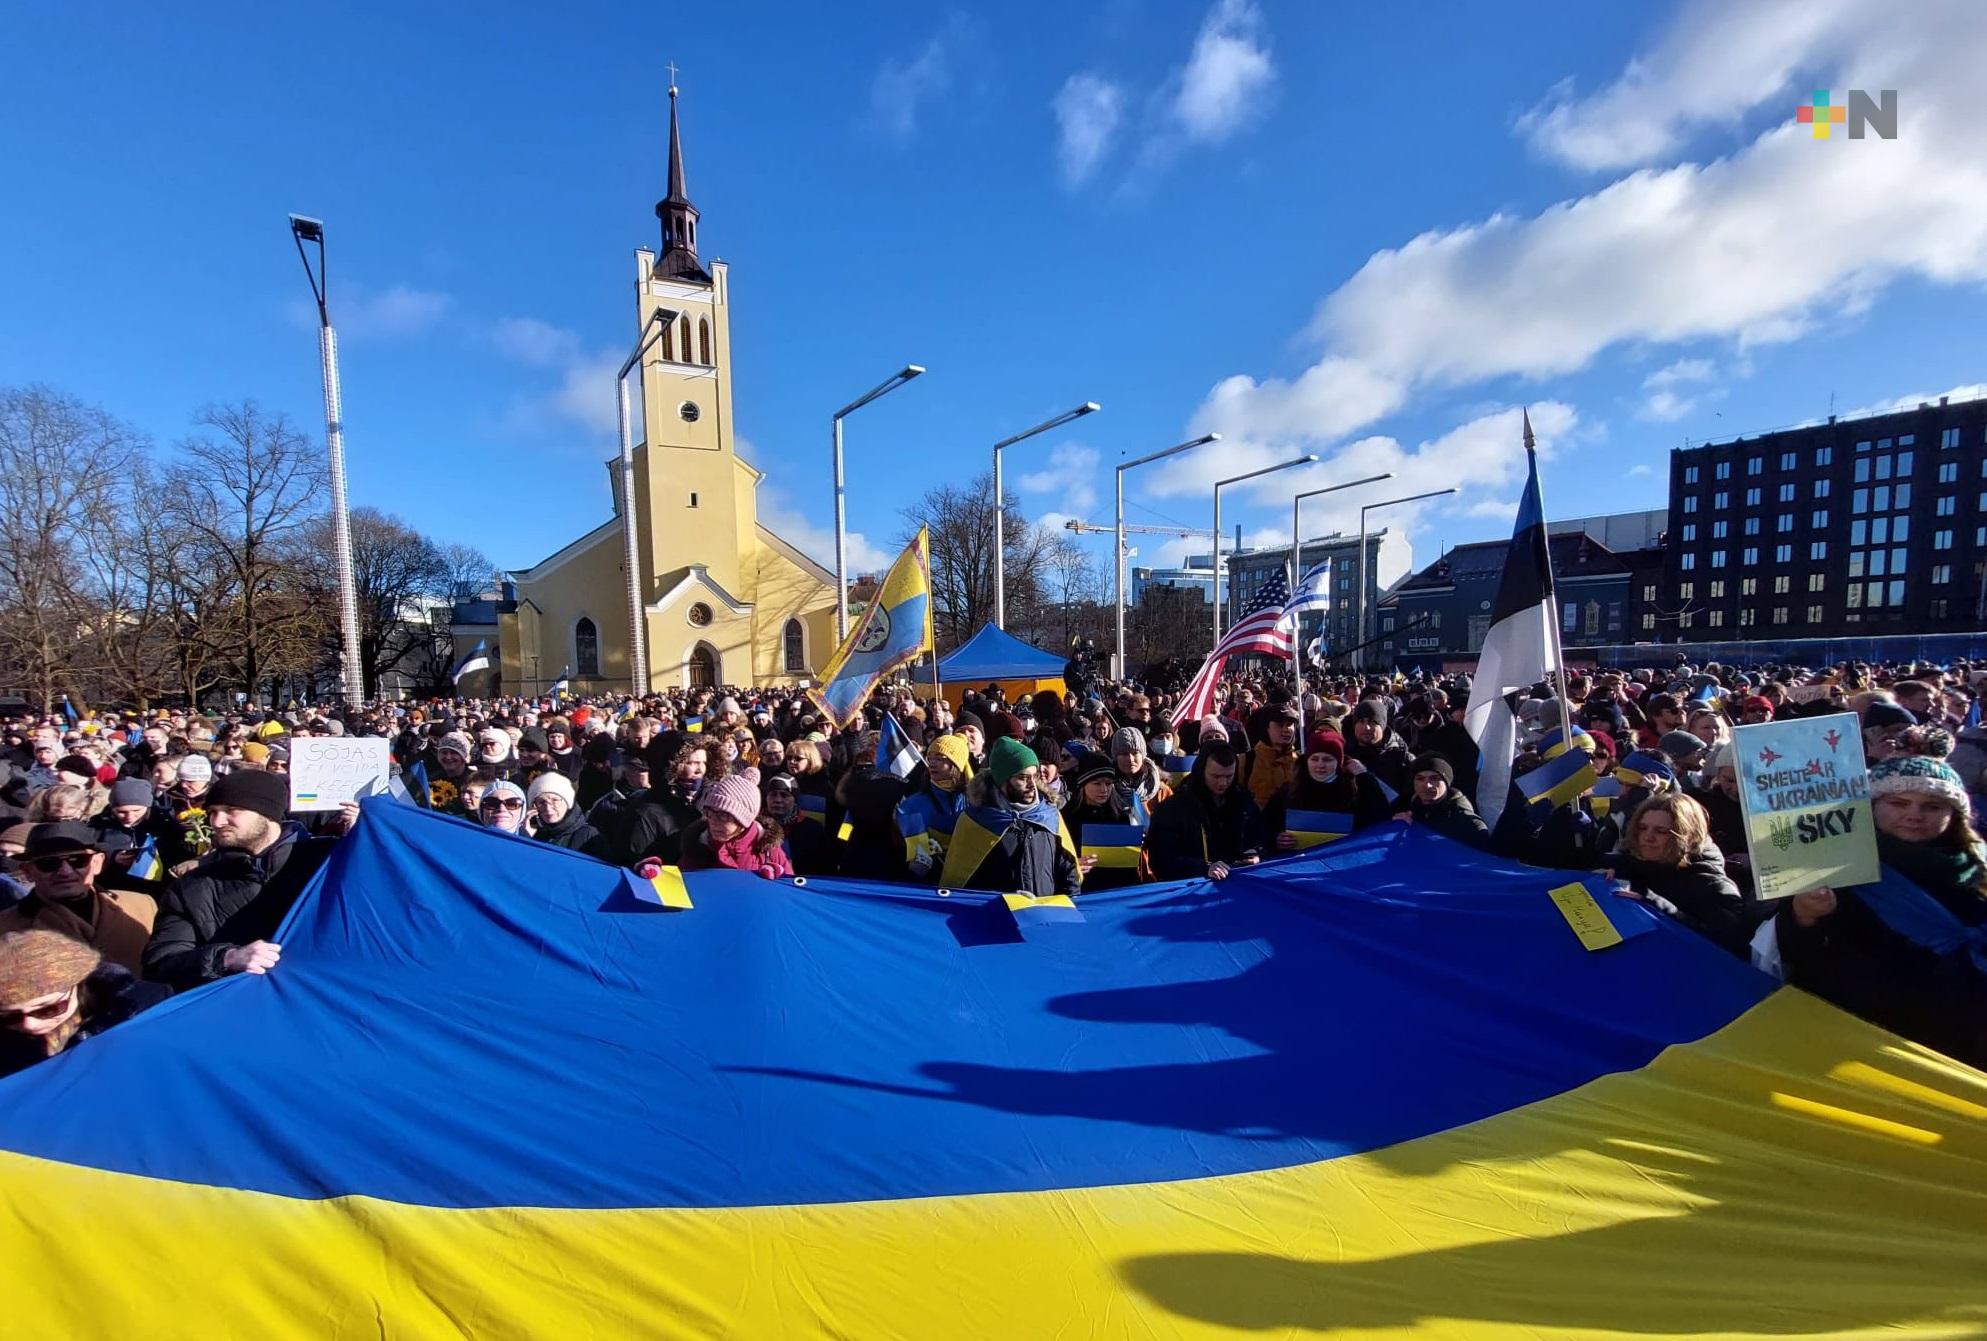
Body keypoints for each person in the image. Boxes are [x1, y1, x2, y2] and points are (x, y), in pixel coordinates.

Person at [1770, 755, 1987, 1066]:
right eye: (1899, 803)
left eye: (1932, 806)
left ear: (1954, 815)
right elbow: (1804, 959)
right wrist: (1805, 914)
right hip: (1880, 1041)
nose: (1915, 815)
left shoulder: (1979, 865)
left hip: (1972, 1041)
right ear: (1872, 807)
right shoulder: (1837, 864)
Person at [142, 769, 336, 990]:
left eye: (232, 810)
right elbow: (160, 964)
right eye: (212, 812)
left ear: (267, 813)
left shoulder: (329, 862)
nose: (216, 821)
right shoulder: (191, 888)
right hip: (240, 1010)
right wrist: (226, 958)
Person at [0, 930, 169, 1079]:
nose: (30, 1025)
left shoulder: (149, 1010)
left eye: (48, 1010)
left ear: (78, 985)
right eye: (10, 1017)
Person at [0, 822, 159, 975]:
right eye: (48, 863)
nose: (65, 871)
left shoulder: (142, 905)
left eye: (77, 860)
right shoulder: (6, 926)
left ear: (97, 863)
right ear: (27, 871)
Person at [1609, 793, 1749, 956]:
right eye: (1642, 828)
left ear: (1687, 835)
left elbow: (1731, 948)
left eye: (1661, 831)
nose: (1648, 837)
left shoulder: (1712, 885)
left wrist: (1659, 908)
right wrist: (1611, 876)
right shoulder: (1634, 864)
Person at [939, 739, 1080, 896]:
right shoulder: (975, 821)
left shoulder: (1049, 816)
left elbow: (1069, 874)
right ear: (1003, 780)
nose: (1032, 785)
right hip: (997, 917)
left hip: (1044, 915)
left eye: (1034, 776)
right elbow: (959, 887)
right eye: (1022, 778)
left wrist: (1065, 910)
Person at [1145, 742, 1266, 882]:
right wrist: (1203, 868)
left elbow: (1262, 837)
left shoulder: (1244, 802)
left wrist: (1256, 853)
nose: (1222, 783)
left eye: (1228, 776)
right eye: (1215, 776)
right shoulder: (1174, 808)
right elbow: (1161, 859)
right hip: (1192, 890)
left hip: (1239, 886)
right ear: (1202, 770)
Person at [679, 775, 793, 879]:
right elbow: (679, 887)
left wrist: (777, 881)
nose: (713, 821)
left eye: (723, 815)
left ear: (743, 820)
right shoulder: (698, 846)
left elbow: (790, 889)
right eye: (709, 812)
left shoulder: (768, 850)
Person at [1060, 755, 1141, 891]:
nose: (1104, 789)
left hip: (1120, 890)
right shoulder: (1066, 818)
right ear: (1083, 785)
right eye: (1097, 783)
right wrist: (1073, 865)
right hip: (1083, 890)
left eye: (1109, 784)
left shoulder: (1122, 816)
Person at [899, 734, 971, 881]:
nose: (932, 763)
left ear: (956, 763)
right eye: (930, 758)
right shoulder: (912, 805)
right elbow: (908, 854)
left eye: (939, 758)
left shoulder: (975, 802)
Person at [1397, 755, 1491, 849]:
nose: (1427, 785)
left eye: (1434, 778)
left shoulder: (1469, 825)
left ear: (1447, 782)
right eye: (1420, 778)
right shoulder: (1409, 813)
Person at [526, 773, 605, 856]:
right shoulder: (536, 833)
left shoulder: (589, 836)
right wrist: (526, 837)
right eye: (541, 802)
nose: (548, 808)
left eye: (555, 800)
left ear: (568, 803)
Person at [1245, 706, 1300, 809]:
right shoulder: (1246, 761)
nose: (1286, 729)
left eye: (1289, 724)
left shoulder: (1301, 763)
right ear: (1267, 728)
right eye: (1280, 725)